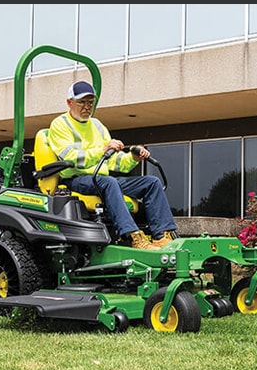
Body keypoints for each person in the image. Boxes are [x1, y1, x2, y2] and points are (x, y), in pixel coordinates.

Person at [46, 80, 178, 250]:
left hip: (101, 180)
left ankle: (163, 236)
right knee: (109, 182)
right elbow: (72, 158)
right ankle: (133, 236)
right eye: (81, 102)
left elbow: (114, 161)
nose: (87, 107)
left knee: (151, 182)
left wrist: (133, 158)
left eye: (90, 102)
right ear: (69, 102)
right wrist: (102, 150)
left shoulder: (98, 126)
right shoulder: (60, 125)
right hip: (76, 180)